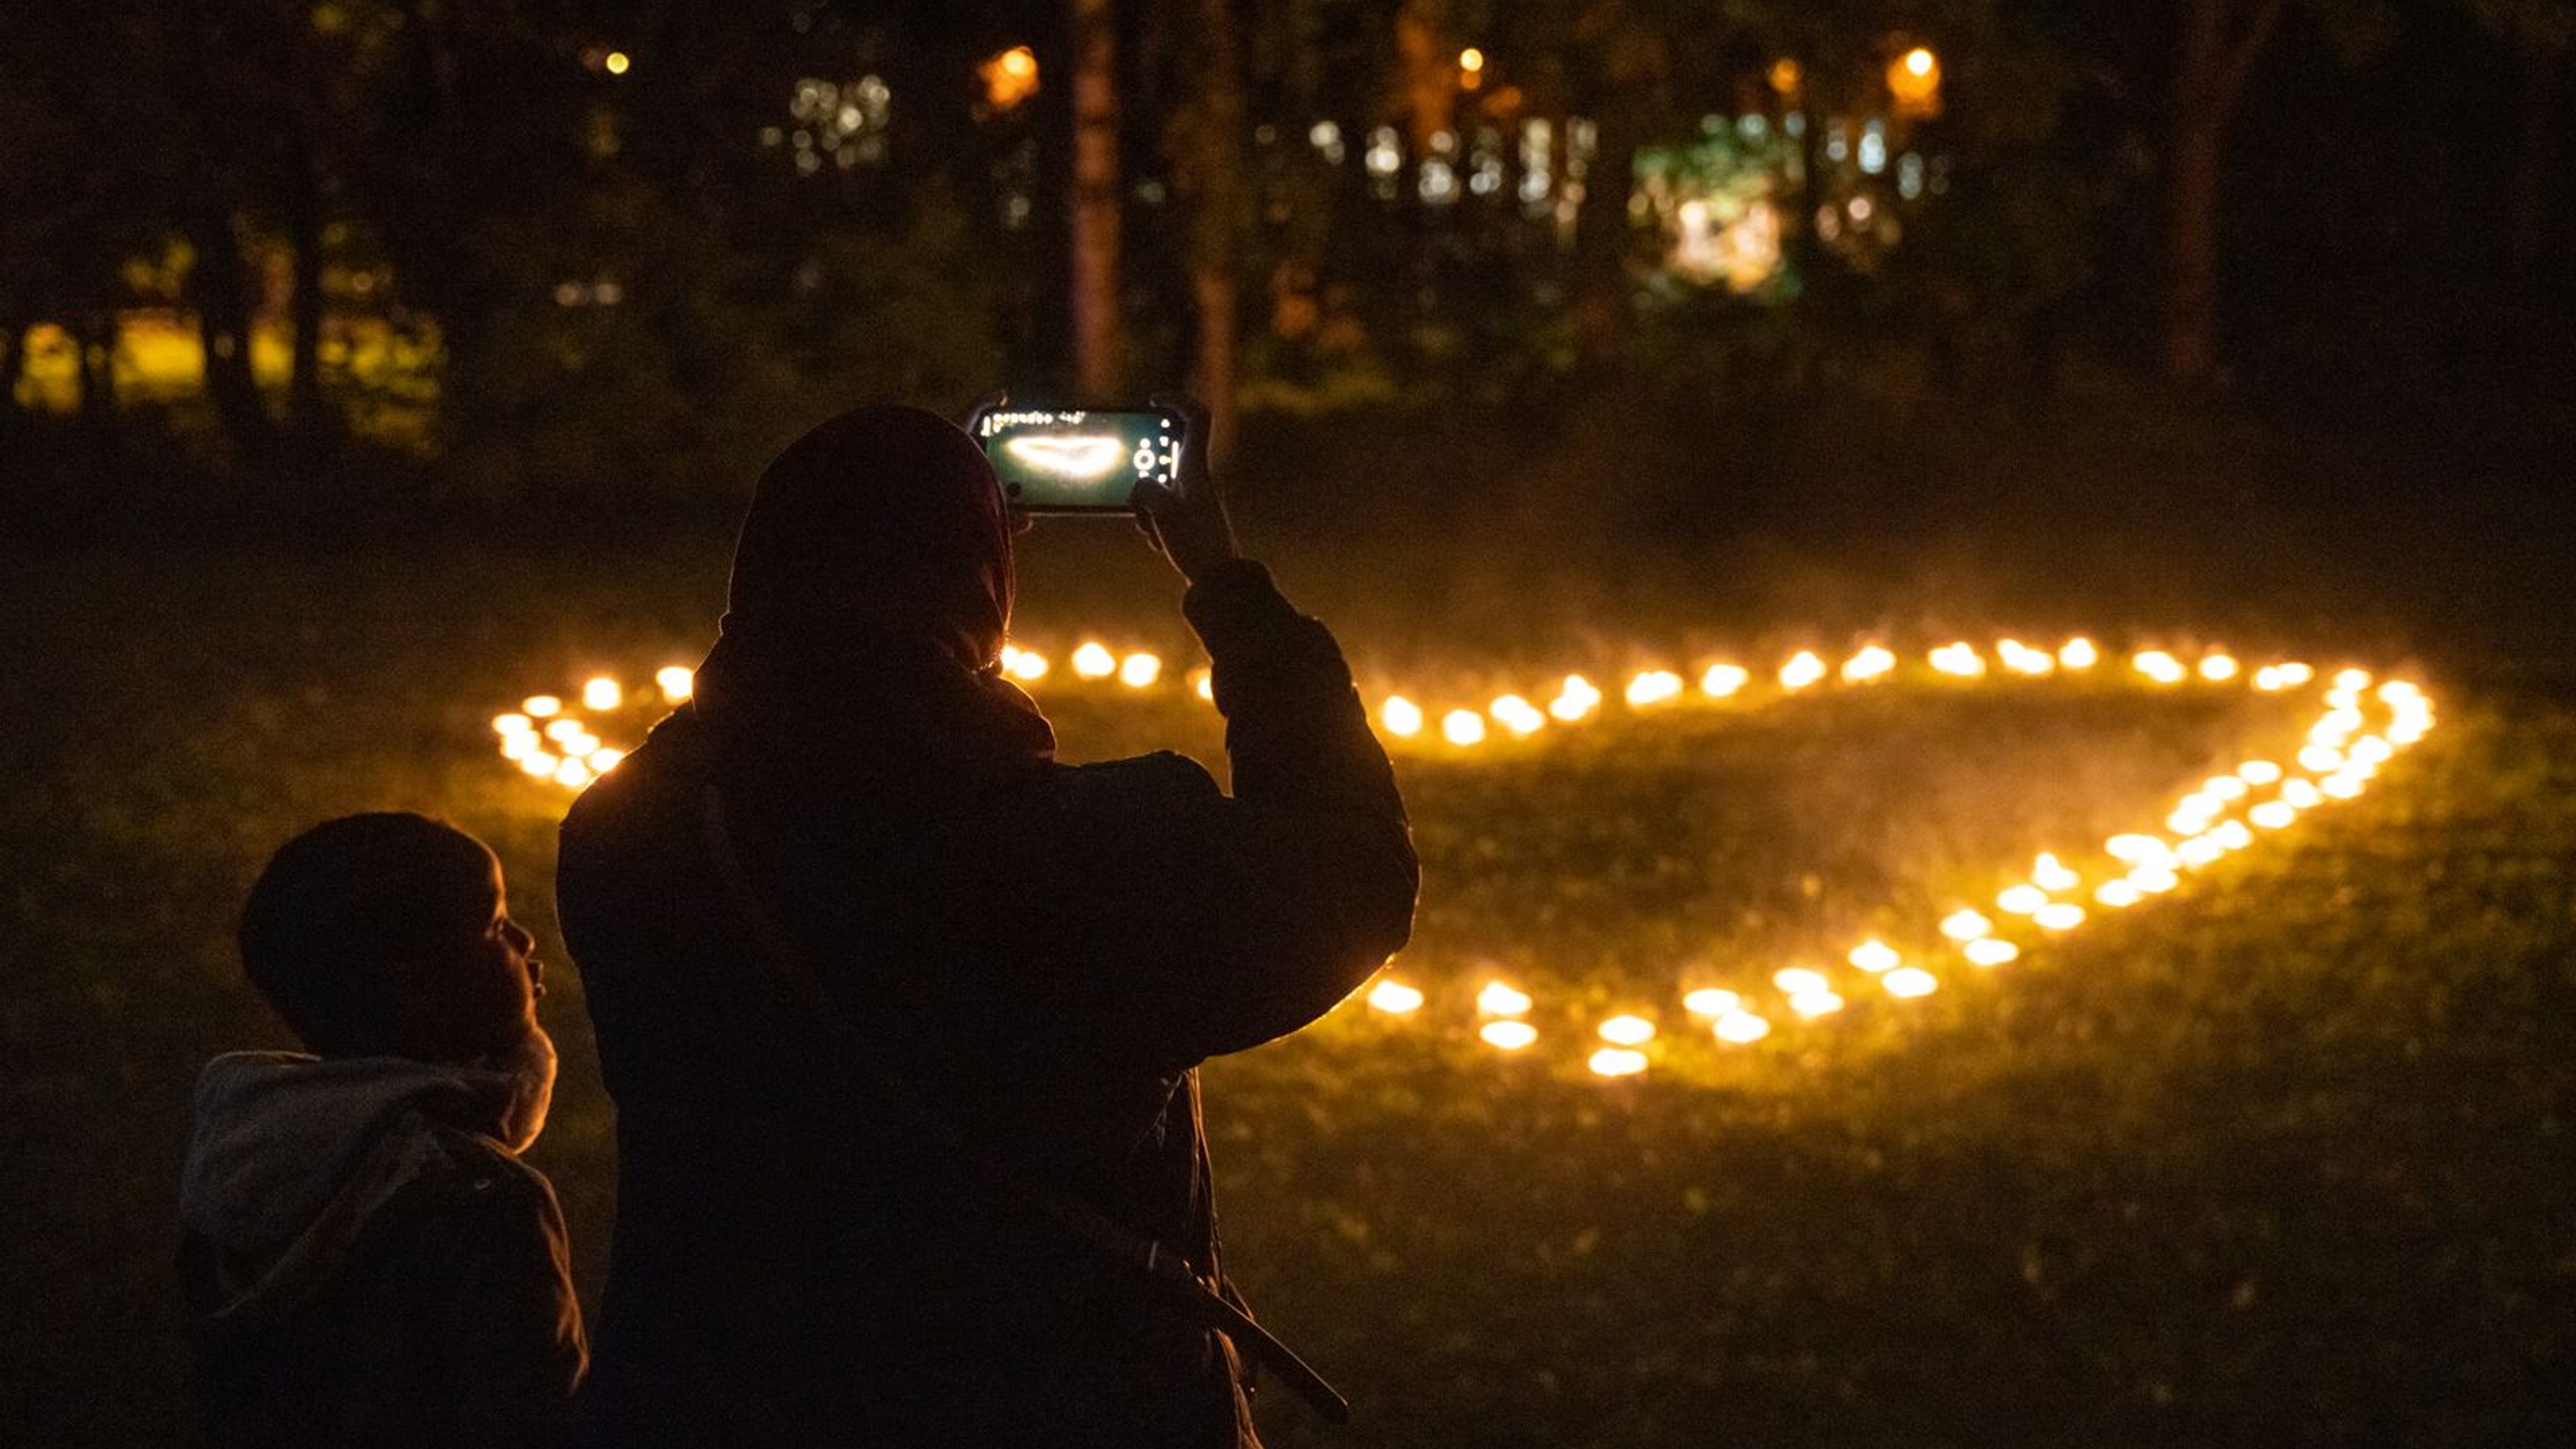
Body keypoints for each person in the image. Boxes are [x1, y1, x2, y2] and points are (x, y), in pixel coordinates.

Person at [556, 403, 1416, 1448]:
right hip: (1056, 1394)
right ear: (980, 587)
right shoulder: (1081, 859)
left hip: (728, 1388)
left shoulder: (626, 835)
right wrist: (1223, 582)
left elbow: (801, 724)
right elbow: (1347, 876)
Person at [178, 812, 588, 1449]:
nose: (527, 941)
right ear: (417, 985)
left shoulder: (236, 1172)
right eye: (495, 927)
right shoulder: (482, 1196)